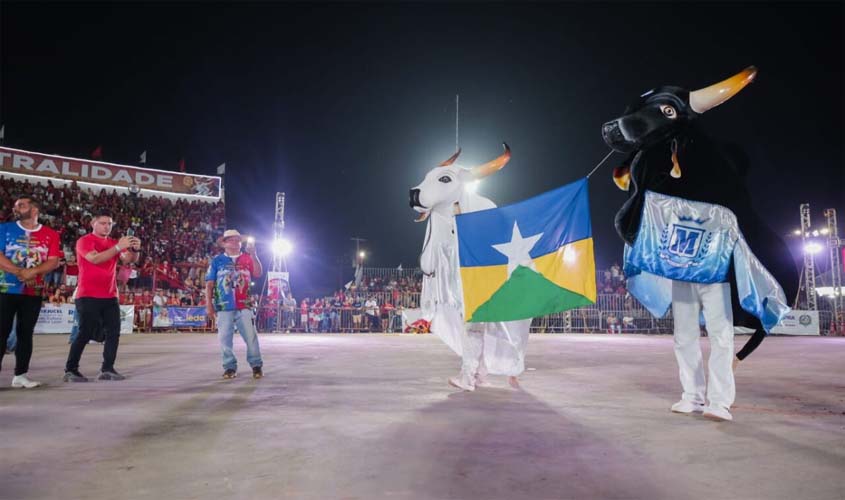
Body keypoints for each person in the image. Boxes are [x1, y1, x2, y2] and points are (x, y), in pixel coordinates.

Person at [63, 213, 141, 382]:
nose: (107, 226)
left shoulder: (114, 243)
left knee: (114, 332)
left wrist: (135, 249)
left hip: (110, 295)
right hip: (87, 294)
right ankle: (70, 369)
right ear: (93, 223)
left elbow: (128, 260)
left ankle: (108, 368)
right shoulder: (85, 241)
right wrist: (119, 248)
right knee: (84, 333)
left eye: (109, 223)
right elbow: (95, 259)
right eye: (103, 223)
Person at [0, 196, 62, 389]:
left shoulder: (51, 234)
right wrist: (20, 272)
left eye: (21, 205)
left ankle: (20, 375)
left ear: (34, 210)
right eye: (16, 205)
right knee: (1, 332)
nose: (15, 207)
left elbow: (53, 261)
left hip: (32, 291)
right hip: (5, 288)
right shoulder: (5, 228)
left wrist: (33, 272)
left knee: (25, 333)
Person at [205, 229, 264, 379]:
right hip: (224, 305)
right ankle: (229, 367)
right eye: (230, 240)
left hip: (245, 304)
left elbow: (258, 273)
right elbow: (209, 284)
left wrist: (254, 255)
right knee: (224, 338)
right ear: (224, 243)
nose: (235, 242)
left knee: (251, 336)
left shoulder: (247, 257)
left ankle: (256, 365)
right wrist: (208, 305)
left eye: (237, 239)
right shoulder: (217, 261)